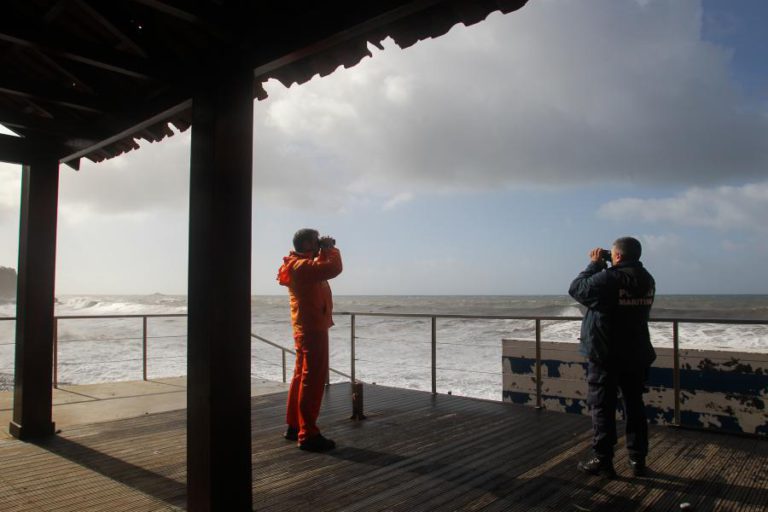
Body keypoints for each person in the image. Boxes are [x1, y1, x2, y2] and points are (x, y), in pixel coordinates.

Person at [568, 236, 656, 478]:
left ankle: (603, 460)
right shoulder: (647, 279)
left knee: (602, 408)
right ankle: (638, 460)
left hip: (606, 354)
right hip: (636, 353)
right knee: (634, 406)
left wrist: (595, 265)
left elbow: (577, 289)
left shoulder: (609, 278)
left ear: (616, 256)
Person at [277, 228, 343, 452]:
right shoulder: (301, 266)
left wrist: (323, 250)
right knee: (312, 380)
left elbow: (321, 269)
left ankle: (295, 426)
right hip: (312, 329)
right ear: (307, 244)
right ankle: (308, 434)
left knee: (300, 377)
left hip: (306, 328)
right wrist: (331, 249)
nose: (320, 244)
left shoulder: (299, 264)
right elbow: (333, 268)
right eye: (316, 242)